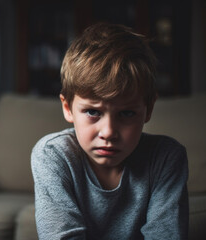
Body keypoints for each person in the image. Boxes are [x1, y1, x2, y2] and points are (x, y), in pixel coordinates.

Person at [31, 22, 188, 239]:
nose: (108, 132)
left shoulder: (166, 158)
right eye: (93, 113)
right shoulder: (52, 155)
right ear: (68, 108)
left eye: (126, 114)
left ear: (148, 109)